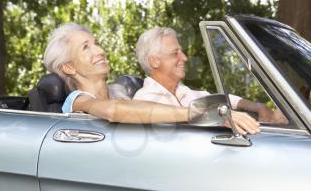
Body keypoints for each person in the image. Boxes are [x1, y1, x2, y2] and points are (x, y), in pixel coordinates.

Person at [43, 23, 260, 134]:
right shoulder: (78, 99)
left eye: (96, 43)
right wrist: (197, 113)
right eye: (86, 47)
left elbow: (151, 111)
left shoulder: (120, 92)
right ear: (69, 67)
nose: (99, 50)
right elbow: (113, 111)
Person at [133, 27, 286, 132]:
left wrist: (258, 107)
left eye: (182, 52)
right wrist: (220, 117)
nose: (184, 58)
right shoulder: (144, 100)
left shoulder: (185, 93)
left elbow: (225, 100)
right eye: (175, 53)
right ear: (154, 61)